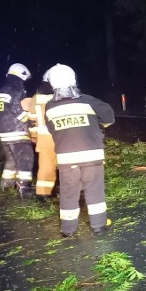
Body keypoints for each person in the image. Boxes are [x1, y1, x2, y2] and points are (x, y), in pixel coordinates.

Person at [43, 64, 115, 237]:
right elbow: (109, 115)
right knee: (94, 189)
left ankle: (68, 230)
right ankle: (99, 225)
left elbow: (52, 130)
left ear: (53, 85)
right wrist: (101, 125)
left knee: (68, 192)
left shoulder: (50, 107)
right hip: (92, 155)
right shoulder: (87, 100)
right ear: (74, 80)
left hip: (66, 158)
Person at [0, 63, 35, 197]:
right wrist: (30, 121)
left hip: (4, 133)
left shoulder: (2, 90)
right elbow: (17, 110)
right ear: (22, 75)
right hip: (17, 133)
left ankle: (6, 186)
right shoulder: (17, 90)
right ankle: (24, 189)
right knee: (26, 159)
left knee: (11, 161)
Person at [25, 74, 59, 200]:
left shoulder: (36, 98)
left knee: (46, 167)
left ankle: (43, 194)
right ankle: (68, 190)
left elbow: (32, 120)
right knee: (66, 166)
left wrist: (34, 136)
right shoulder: (61, 95)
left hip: (44, 139)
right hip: (62, 137)